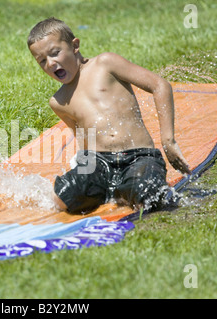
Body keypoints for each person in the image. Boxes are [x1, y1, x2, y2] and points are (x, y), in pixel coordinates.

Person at [27, 17, 191, 214]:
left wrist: (168, 140)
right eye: (42, 61)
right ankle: (114, 191)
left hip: (138, 157)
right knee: (62, 197)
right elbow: (84, 138)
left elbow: (160, 86)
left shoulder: (105, 64)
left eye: (55, 53)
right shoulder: (58, 101)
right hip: (98, 164)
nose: (51, 63)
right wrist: (81, 167)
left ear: (75, 46)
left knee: (149, 196)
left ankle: (127, 189)